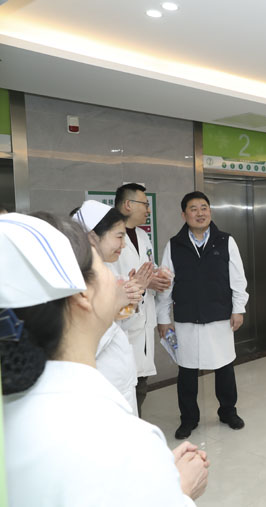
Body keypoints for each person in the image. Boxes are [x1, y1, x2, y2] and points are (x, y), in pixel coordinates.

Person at [1, 212, 209, 506]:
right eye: (101, 265)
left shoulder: (17, 411)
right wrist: (179, 492)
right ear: (83, 295)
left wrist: (155, 476)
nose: (115, 277)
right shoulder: (117, 439)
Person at [156, 191, 249, 440]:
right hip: (187, 319)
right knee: (187, 371)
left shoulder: (225, 241)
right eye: (194, 209)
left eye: (204, 207)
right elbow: (165, 285)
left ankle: (228, 412)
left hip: (220, 317)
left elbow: (238, 279)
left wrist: (238, 309)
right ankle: (188, 419)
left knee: (224, 368)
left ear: (210, 211)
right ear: (184, 214)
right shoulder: (174, 245)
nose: (200, 213)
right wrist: (163, 319)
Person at [71, 199, 144, 415]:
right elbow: (81, 346)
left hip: (120, 381)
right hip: (101, 387)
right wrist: (115, 305)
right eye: (119, 236)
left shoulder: (107, 271)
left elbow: (120, 326)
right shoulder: (76, 281)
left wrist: (130, 302)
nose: (123, 245)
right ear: (92, 236)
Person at [111, 183, 171, 416]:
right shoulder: (110, 237)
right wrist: (143, 284)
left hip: (143, 318)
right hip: (122, 322)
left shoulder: (142, 235)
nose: (148, 209)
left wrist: (157, 277)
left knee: (141, 381)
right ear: (128, 204)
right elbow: (110, 279)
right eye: (145, 204)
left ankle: (136, 424)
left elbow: (147, 267)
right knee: (124, 385)